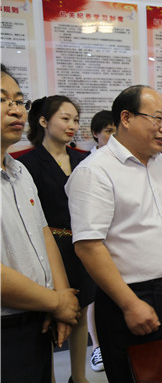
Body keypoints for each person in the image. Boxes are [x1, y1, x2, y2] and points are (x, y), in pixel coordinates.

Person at [65, 85, 162, 382]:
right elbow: (88, 246)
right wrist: (129, 303)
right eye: (157, 119)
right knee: (137, 375)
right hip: (132, 296)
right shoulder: (95, 171)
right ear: (126, 118)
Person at [1, 64, 80, 382]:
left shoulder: (18, 172)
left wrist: (61, 295)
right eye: (3, 99)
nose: (16, 109)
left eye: (20, 101)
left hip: (38, 321)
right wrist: (58, 302)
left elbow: (43, 232)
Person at [19, 95, 93, 383]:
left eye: (76, 119)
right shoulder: (26, 165)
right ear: (43, 121)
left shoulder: (84, 160)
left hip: (80, 247)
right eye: (65, 118)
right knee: (48, 317)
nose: (72, 125)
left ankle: (79, 376)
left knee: (79, 312)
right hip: (46, 250)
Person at [86, 109, 115, 372]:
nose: (112, 136)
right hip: (94, 242)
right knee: (96, 294)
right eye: (107, 131)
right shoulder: (90, 166)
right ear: (95, 134)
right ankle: (97, 347)